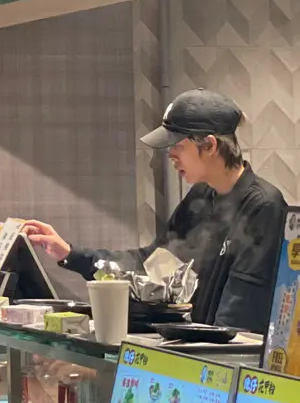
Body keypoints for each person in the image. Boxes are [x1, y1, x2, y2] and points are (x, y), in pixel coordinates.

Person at [26, 89, 288, 333]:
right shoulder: (201, 196)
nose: (171, 156)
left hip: (226, 360)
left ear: (209, 145)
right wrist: (70, 254)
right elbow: (150, 265)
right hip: (201, 352)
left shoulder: (263, 206)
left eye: (177, 145)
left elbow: (239, 318)